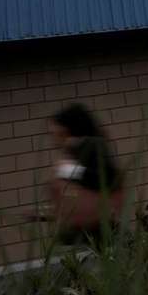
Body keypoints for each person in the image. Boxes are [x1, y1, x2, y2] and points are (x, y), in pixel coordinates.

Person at [46, 103, 125, 246]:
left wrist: (67, 170)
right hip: (80, 234)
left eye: (57, 131)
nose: (54, 137)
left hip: (98, 235)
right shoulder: (74, 151)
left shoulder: (92, 145)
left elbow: (102, 177)